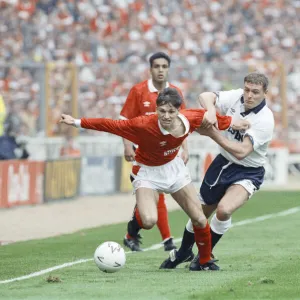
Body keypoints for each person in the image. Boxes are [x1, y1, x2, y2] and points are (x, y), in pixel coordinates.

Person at [59, 87, 250, 271]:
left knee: (199, 219)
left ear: (179, 110)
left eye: (171, 111)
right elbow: (109, 125)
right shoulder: (142, 124)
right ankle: (136, 219)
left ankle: (205, 261)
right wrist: (75, 121)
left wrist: (234, 122)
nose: (166, 116)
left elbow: (214, 120)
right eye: (162, 111)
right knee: (149, 220)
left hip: (174, 169)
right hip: (148, 172)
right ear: (156, 109)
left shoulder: (190, 118)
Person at [160, 72, 275, 271]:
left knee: (224, 210)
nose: (249, 95)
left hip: (249, 171)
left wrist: (213, 134)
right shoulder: (237, 97)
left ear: (265, 93)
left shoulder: (265, 119)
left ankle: (203, 257)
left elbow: (241, 152)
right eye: (247, 89)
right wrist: (211, 111)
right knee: (200, 214)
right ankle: (184, 252)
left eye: (255, 92)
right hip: (222, 164)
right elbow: (205, 96)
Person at [120, 52, 188, 252]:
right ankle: (166, 239)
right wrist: (126, 145)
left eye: (164, 66)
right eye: (156, 66)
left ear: (168, 69)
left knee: (157, 196)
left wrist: (185, 148)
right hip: (143, 153)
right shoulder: (139, 91)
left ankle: (133, 233)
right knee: (156, 195)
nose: (160, 70)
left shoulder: (175, 93)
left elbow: (183, 122)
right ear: (150, 69)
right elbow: (124, 121)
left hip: (168, 151)